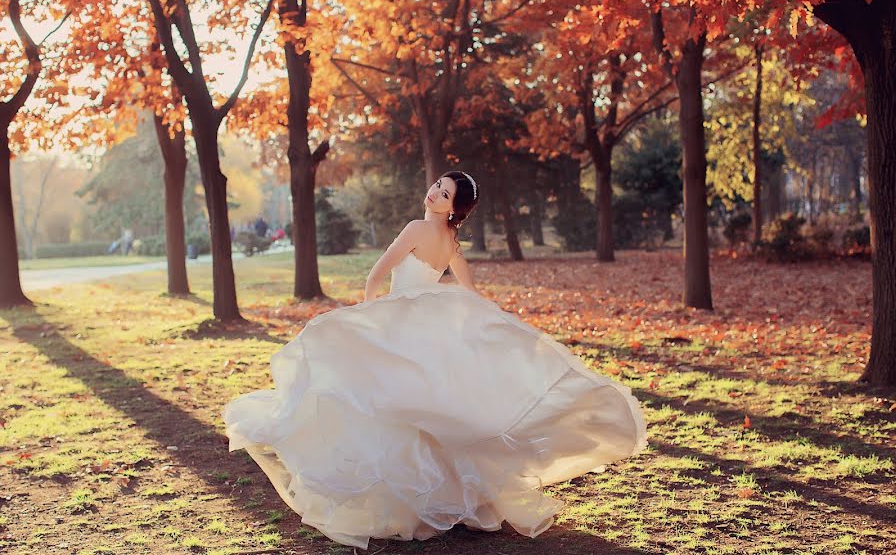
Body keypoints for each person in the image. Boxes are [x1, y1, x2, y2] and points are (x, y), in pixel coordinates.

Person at [222, 170, 648, 550]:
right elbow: (467, 292)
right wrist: (482, 329)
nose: (433, 194)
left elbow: (376, 275)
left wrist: (368, 319)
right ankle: (430, 497)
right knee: (423, 408)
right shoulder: (451, 243)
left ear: (453, 208)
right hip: (421, 326)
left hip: (398, 323)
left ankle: (404, 499)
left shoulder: (415, 229)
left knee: (389, 404)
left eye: (443, 195)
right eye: (436, 187)